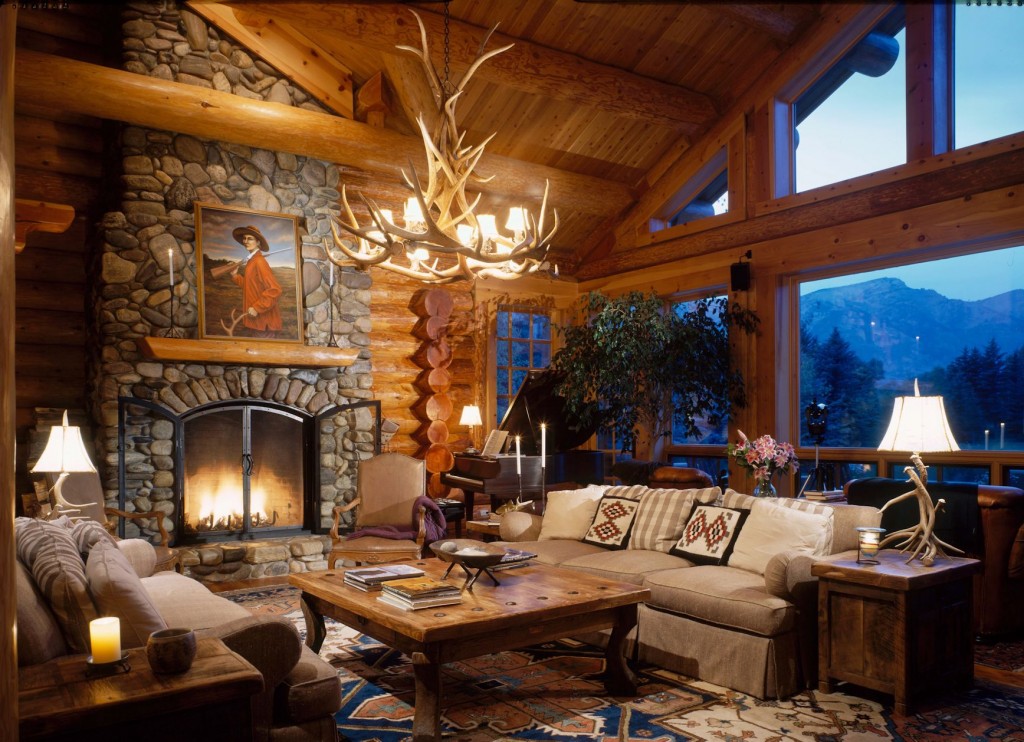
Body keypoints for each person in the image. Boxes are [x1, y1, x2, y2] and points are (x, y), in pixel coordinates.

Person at [226, 225, 283, 337]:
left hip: (264, 322)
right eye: (244, 238)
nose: (246, 241)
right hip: (256, 321)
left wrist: (257, 307)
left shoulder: (259, 262)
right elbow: (250, 286)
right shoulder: (252, 260)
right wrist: (235, 276)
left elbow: (275, 289)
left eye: (250, 238)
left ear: (258, 242)